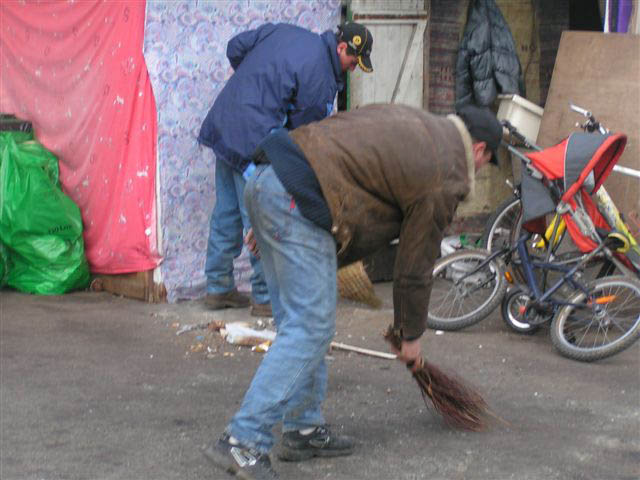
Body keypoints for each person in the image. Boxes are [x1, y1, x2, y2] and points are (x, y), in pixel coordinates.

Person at [202, 103, 503, 480]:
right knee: (310, 328)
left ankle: (303, 428)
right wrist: (409, 335)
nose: (479, 170)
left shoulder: (415, 124)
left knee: (300, 326)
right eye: (487, 162)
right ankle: (242, 440)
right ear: (479, 150)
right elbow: (415, 263)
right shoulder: (446, 171)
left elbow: (335, 151)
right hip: (293, 199)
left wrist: (268, 209)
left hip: (269, 181)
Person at [198, 21, 374, 317]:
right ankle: (265, 298)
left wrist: (254, 85)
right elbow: (302, 134)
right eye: (353, 61)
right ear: (341, 47)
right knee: (261, 219)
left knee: (227, 211)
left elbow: (235, 47)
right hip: (252, 145)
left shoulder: (286, 32)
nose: (353, 68)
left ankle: (218, 287)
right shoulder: (320, 77)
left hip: (225, 124)